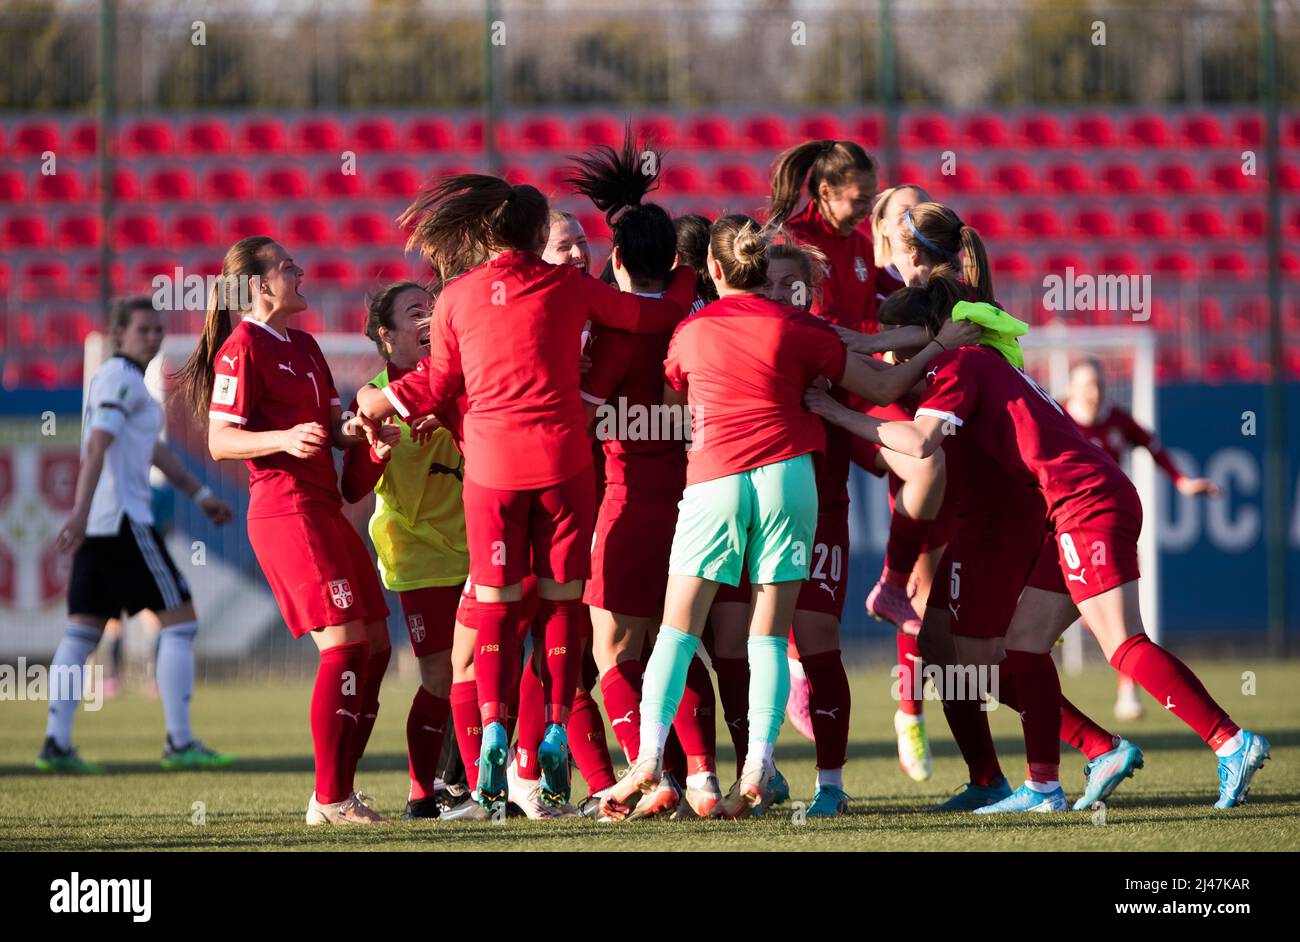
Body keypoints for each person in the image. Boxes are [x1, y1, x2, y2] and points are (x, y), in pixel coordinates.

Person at [810, 272, 1270, 813]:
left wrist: (834, 412)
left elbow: (918, 442)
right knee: (1025, 645)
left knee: (1122, 643)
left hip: (1084, 503)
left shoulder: (959, 365)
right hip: (1066, 508)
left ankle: (1232, 741)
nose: (889, 360)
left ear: (925, 334)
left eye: (895, 343)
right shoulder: (974, 362)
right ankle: (1046, 784)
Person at [601, 215, 979, 820]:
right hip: (788, 480)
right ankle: (757, 766)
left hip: (715, 478)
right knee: (770, 636)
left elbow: (675, 408)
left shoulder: (692, 330)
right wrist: (938, 346)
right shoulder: (800, 327)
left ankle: (647, 760)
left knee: (676, 631)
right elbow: (883, 377)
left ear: (714, 271)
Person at [355, 173, 696, 812]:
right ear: (541, 235)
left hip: (490, 471)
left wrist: (378, 399)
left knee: (497, 606)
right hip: (565, 465)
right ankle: (560, 732)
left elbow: (435, 385)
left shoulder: (455, 297)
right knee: (563, 604)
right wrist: (681, 271)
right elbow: (655, 314)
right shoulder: (572, 287)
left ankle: (491, 727)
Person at [175, 237, 391, 825]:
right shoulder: (241, 348)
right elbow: (222, 439)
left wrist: (361, 432)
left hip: (324, 507)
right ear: (258, 287)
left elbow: (328, 427)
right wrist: (282, 440)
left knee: (375, 644)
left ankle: (339, 792)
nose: (300, 271)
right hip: (286, 510)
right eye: (286, 267)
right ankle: (329, 798)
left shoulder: (305, 344)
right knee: (345, 646)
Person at [565, 134, 720, 819]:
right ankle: (707, 779)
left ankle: (646, 775)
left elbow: (583, 420)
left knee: (613, 652)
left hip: (629, 501)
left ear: (616, 257)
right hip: (699, 494)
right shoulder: (690, 297)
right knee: (678, 643)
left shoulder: (615, 336)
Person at [44, 296, 235, 774]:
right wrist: (80, 510)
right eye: (143, 330)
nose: (153, 338)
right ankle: (179, 741)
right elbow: (97, 445)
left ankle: (56, 743)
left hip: (102, 526)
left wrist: (199, 494)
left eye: (158, 330)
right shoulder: (119, 379)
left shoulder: (123, 383)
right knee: (182, 621)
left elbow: (149, 450)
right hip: (126, 523)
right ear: (119, 334)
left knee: (82, 632)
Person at [341, 281, 468, 820]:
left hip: (481, 541)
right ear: (385, 336)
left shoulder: (456, 381)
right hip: (417, 554)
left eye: (432, 309)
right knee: (440, 677)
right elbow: (352, 487)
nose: (428, 319)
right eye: (415, 312)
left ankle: (474, 782)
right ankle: (422, 792)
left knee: (487, 672)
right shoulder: (372, 397)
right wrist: (374, 452)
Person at [1064, 356, 1221, 720]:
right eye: (1086, 385)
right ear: (1071, 389)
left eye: (1098, 384)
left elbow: (1153, 447)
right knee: (1085, 618)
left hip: (1108, 526)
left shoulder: (1117, 421)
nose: (1094, 392)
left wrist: (1181, 481)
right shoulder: (1058, 417)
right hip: (1066, 529)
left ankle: (1127, 691)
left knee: (1121, 621)